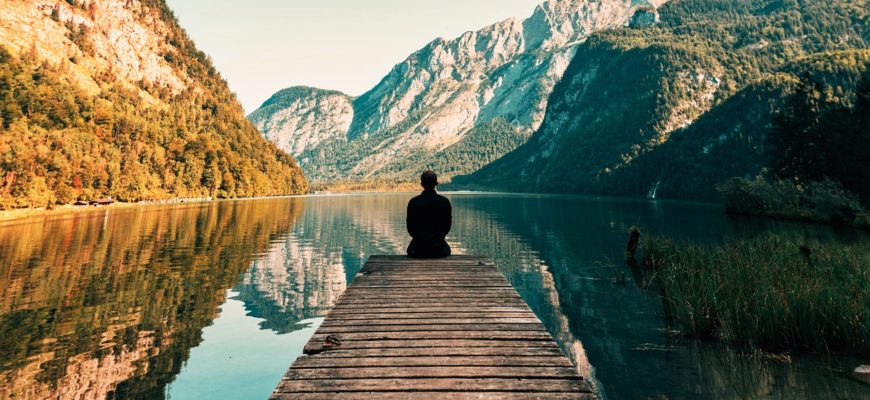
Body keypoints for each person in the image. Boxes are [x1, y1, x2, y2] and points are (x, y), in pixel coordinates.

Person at [406, 170, 452, 258]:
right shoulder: (444, 202)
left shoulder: (413, 202)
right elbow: (447, 227)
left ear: (422, 184)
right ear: (436, 184)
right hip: (439, 250)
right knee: (447, 250)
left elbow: (410, 228)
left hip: (417, 250)